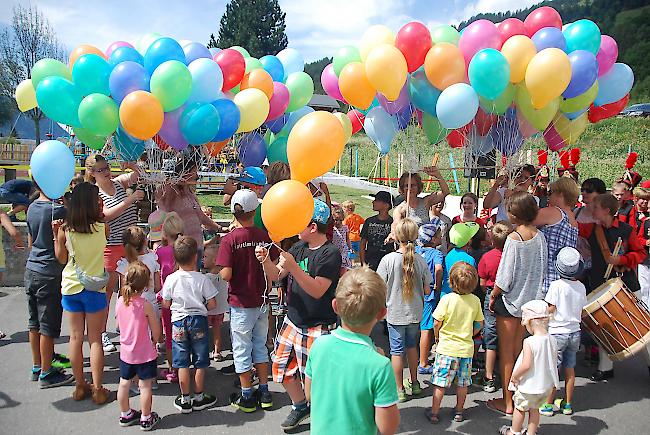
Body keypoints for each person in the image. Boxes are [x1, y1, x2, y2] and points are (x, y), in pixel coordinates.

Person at [257, 199, 341, 431]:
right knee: (281, 368)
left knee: (315, 382)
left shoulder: (329, 253)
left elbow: (317, 290)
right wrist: (265, 261)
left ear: (313, 227)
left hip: (318, 326)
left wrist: (294, 268)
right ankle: (300, 406)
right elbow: (276, 275)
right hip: (292, 321)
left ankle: (325, 422)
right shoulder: (297, 248)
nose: (295, 225)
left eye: (300, 221)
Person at [305, 268, 400, 435]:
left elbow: (310, 395)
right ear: (382, 313)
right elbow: (387, 427)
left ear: (335, 305)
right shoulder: (380, 364)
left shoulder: (319, 346)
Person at [216, 189, 278, 413]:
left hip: (241, 302)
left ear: (233, 211)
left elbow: (226, 274)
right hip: (261, 299)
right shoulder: (263, 236)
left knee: (242, 349)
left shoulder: (230, 239)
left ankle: (247, 396)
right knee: (260, 346)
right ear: (255, 210)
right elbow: (271, 262)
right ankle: (264, 391)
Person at [577, 193, 648, 381]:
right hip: (601, 284)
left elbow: (640, 253)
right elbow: (572, 226)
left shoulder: (626, 230)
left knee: (642, 330)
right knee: (603, 327)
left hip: (627, 285)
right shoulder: (592, 229)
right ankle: (605, 368)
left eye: (596, 207)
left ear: (607, 210)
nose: (592, 210)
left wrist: (622, 259)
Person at [488, 192, 548, 415]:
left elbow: (504, 278)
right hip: (530, 302)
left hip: (510, 301)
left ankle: (508, 401)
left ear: (518, 213)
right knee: (520, 352)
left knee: (507, 356)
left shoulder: (514, 239)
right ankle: (520, 397)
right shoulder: (539, 236)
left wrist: (493, 295)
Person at [53, 182, 111, 404]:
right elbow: (103, 216)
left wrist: (55, 235)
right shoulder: (102, 228)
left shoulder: (65, 229)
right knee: (95, 340)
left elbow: (61, 259)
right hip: (95, 288)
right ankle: (98, 389)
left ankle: (79, 386)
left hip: (70, 287)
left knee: (75, 338)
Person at [85, 154, 144, 353]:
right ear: (92, 173)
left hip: (129, 245)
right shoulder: (95, 194)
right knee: (107, 293)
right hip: (110, 247)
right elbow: (105, 217)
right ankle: (102, 332)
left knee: (130, 289)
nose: (106, 172)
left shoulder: (118, 182)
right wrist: (130, 199)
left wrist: (132, 163)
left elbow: (139, 175)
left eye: (107, 167)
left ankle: (127, 325)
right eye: (100, 170)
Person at [161, 236, 219, 413]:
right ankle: (200, 396)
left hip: (178, 321)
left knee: (182, 361)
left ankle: (185, 399)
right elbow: (212, 304)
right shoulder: (202, 279)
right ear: (195, 257)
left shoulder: (171, 279)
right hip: (198, 320)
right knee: (200, 360)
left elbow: (165, 303)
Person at [376, 218, 432, 402]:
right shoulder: (421, 260)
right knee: (411, 346)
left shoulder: (388, 260)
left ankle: (399, 389)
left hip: (395, 312)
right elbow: (427, 289)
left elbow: (378, 286)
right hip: (415, 312)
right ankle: (415, 383)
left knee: (396, 351)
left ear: (396, 237)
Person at [25, 181, 73, 388]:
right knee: (48, 326)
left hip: (32, 269)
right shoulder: (59, 211)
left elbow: (30, 242)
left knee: (34, 322)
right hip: (49, 273)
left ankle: (37, 366)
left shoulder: (32, 207)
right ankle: (47, 372)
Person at [427, 262, 484, 423]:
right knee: (463, 383)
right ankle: (459, 411)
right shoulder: (475, 301)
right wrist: (470, 333)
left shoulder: (447, 299)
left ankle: (434, 412)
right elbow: (480, 323)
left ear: (451, 281)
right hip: (465, 349)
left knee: (440, 383)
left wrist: (437, 336)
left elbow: (437, 321)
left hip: (446, 348)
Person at [499, 300, 560, 435]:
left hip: (529, 386)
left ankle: (514, 431)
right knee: (534, 410)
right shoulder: (552, 340)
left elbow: (526, 365)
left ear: (530, 322)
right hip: (544, 385)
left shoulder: (529, 342)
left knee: (520, 408)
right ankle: (531, 433)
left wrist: (515, 376)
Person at [539, 247, 587, 417]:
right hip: (575, 332)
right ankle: (567, 404)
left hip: (557, 332)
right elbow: (582, 309)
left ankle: (548, 405)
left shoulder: (556, 286)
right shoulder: (581, 287)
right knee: (570, 369)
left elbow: (551, 308)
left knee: (553, 370)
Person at [156, 155, 225, 269]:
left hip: (197, 246)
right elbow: (159, 192)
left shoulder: (190, 194)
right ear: (186, 172)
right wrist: (178, 180)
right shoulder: (173, 191)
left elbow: (201, 217)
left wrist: (219, 228)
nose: (197, 175)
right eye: (195, 171)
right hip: (183, 248)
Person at [115, 261, 162, 431]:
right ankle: (146, 417)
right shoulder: (145, 305)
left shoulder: (120, 301)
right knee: (145, 386)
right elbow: (156, 332)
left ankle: (125, 413)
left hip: (126, 353)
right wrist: (156, 340)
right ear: (146, 285)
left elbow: (119, 326)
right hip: (145, 353)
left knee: (124, 384)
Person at [478, 221, 512, 393]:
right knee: (509, 336)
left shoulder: (487, 257)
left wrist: (488, 294)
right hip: (510, 296)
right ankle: (511, 376)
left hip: (491, 294)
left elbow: (482, 283)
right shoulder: (513, 257)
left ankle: (489, 377)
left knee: (490, 337)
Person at [534, 177, 579, 298]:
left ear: (561, 193)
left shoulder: (553, 212)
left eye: (551, 192)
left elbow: (524, 223)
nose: (548, 196)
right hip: (563, 283)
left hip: (545, 280)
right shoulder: (574, 220)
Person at [156, 212, 183, 383]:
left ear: (164, 234)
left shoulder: (161, 252)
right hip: (184, 299)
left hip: (166, 300)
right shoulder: (186, 249)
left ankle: (173, 369)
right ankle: (185, 366)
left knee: (170, 336)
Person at [415, 221, 444, 374]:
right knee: (426, 327)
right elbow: (438, 269)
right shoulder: (436, 253)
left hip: (415, 292)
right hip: (429, 294)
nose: (441, 238)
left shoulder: (416, 250)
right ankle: (423, 362)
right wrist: (437, 285)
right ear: (433, 239)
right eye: (439, 235)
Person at [440, 222, 481, 300]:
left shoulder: (448, 255)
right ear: (469, 241)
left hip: (446, 296)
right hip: (463, 298)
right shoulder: (470, 260)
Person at [202, 244, 228, 362]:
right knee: (217, 330)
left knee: (205, 331)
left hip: (208, 309)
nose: (203, 259)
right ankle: (217, 352)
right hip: (221, 309)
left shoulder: (206, 278)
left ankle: (204, 351)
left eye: (205, 256)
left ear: (214, 260)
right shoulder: (224, 276)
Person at [359, 191, 394, 271]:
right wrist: (363, 263)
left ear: (386, 205)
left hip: (386, 263)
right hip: (370, 262)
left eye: (377, 200)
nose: (373, 202)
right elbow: (362, 243)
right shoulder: (369, 221)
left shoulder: (393, 223)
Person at [331, 206, 353, 273]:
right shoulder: (332, 229)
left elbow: (347, 239)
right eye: (336, 220)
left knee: (344, 267)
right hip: (334, 250)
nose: (338, 222)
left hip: (343, 250)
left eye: (340, 220)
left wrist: (350, 248)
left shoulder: (345, 228)